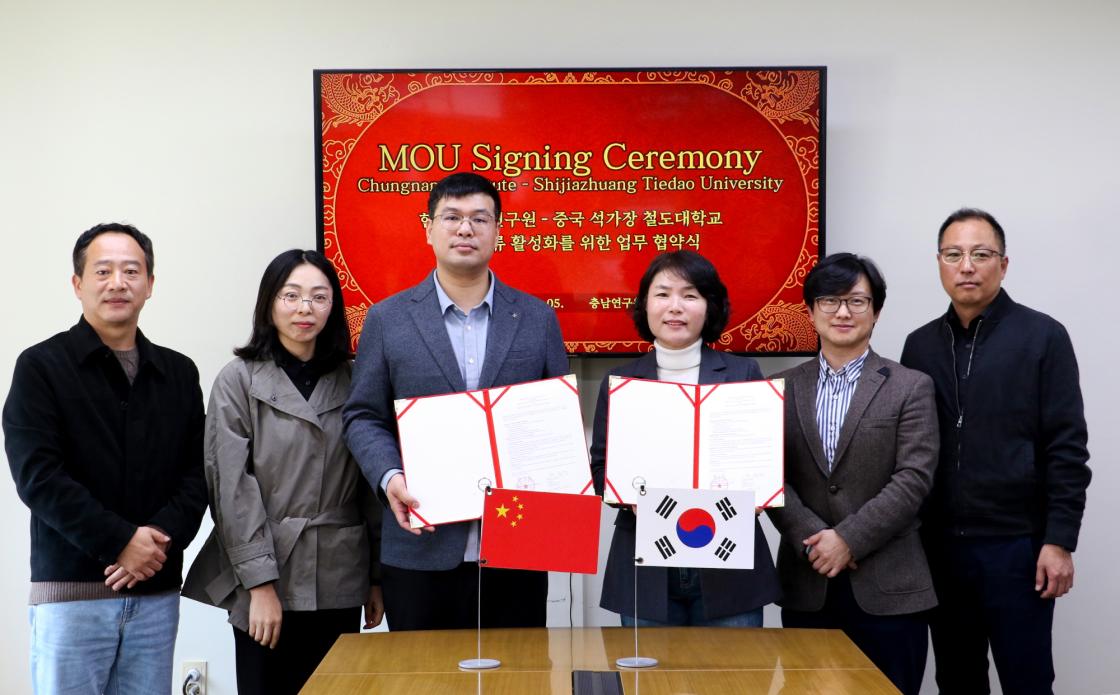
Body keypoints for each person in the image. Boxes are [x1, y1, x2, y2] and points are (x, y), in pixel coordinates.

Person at [342, 172, 569, 631]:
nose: (465, 229)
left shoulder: (537, 319)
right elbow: (363, 416)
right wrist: (391, 477)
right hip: (420, 546)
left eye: (479, 219)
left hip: (518, 546)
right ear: (428, 228)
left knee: (518, 680)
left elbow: (557, 424)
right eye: (452, 217)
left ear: (499, 232)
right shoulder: (388, 319)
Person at [4, 222, 207, 694]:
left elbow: (198, 474)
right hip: (71, 598)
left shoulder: (178, 372)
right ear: (77, 284)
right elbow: (38, 477)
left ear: (150, 284)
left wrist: (153, 547)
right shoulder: (41, 367)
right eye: (103, 271)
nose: (118, 282)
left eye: (131, 271)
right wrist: (119, 542)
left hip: (155, 596)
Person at [900, 209, 1090, 695]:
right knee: (957, 680)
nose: (967, 266)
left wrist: (1059, 540)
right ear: (939, 263)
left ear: (1003, 265)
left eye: (981, 255)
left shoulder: (1043, 336)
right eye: (954, 254)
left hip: (1019, 549)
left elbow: (1067, 448)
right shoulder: (919, 346)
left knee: (1027, 680)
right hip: (941, 551)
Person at [183, 249, 383, 695]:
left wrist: (375, 577)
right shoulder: (238, 380)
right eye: (290, 295)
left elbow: (372, 485)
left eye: (318, 297)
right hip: (266, 570)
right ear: (269, 303)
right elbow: (231, 489)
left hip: (340, 573)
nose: (304, 309)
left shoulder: (354, 379)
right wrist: (261, 586)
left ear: (334, 307)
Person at [768, 253, 938, 695]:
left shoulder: (910, 386)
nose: (843, 312)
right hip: (808, 584)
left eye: (858, 301)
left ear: (876, 311)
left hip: (890, 588)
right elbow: (768, 475)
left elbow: (914, 478)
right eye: (830, 300)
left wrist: (848, 540)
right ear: (810, 311)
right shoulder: (779, 387)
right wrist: (813, 541)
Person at [590, 250, 781, 626]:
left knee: (731, 683)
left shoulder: (744, 373)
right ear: (645, 305)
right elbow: (600, 466)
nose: (675, 306)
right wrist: (627, 496)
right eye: (662, 294)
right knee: (650, 683)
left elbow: (765, 462)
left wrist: (759, 492)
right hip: (645, 563)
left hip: (729, 566)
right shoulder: (621, 382)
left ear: (709, 307)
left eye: (690, 295)